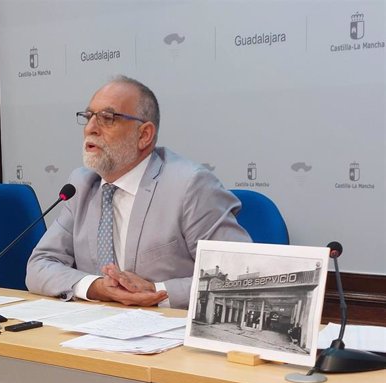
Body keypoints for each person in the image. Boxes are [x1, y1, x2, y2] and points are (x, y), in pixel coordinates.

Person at [26, 76, 250, 309]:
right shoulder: (82, 185)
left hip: (168, 331)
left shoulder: (190, 185)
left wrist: (157, 292)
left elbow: (238, 276)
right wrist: (97, 287)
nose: (91, 129)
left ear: (144, 135)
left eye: (107, 118)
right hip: (95, 330)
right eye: (88, 117)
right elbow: (40, 264)